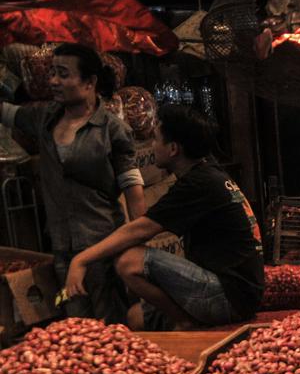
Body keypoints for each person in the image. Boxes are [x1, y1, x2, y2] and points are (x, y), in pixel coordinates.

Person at [63, 105, 264, 331]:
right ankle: (183, 319)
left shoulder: (198, 184)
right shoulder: (208, 173)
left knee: (129, 260)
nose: (151, 145)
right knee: (136, 317)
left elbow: (139, 230)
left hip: (229, 297)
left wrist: (81, 259)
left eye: (156, 139)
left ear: (173, 149)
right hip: (238, 293)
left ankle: (184, 322)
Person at [0, 44, 144, 323]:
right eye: (52, 72)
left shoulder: (112, 129)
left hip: (103, 247)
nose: (53, 81)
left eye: (63, 74)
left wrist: (138, 246)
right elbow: (5, 112)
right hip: (62, 248)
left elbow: (133, 190)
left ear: (89, 82)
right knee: (77, 326)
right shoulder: (44, 118)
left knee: (111, 325)